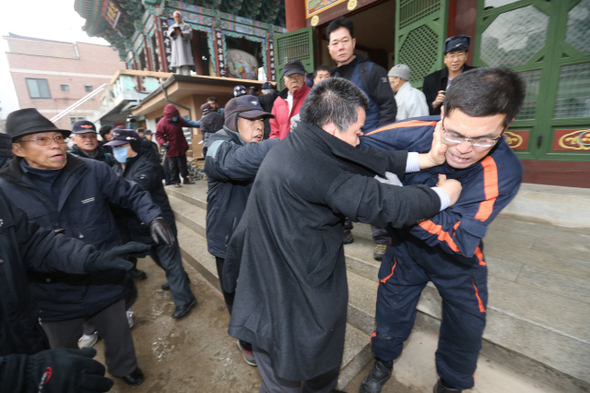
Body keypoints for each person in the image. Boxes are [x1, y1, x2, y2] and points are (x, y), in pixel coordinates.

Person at [222, 78, 462, 392]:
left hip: (276, 268)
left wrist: (428, 159)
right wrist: (442, 195)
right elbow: (384, 203)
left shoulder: (305, 141)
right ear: (334, 128)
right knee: (284, 377)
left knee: (317, 364)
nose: (360, 138)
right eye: (357, 131)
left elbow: (368, 157)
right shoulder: (316, 168)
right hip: (286, 291)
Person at [358, 67, 525, 393]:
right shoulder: (414, 131)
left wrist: (399, 204)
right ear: (443, 112)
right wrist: (439, 196)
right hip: (405, 249)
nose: (464, 148)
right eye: (454, 133)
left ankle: (451, 385)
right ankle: (382, 363)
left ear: (506, 127)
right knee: (390, 311)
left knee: (467, 326)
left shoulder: (503, 171)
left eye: (483, 138)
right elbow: (354, 149)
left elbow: (458, 236)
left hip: (459, 263)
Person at [0, 108, 177, 386]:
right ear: (17, 149)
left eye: (57, 137)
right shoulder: (5, 191)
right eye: (42, 140)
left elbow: (131, 194)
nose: (56, 144)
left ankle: (125, 368)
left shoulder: (92, 170)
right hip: (51, 291)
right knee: (62, 357)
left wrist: (153, 216)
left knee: (118, 333)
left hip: (103, 273)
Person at [203, 95, 278, 366]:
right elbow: (231, 164)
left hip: (258, 235)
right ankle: (245, 340)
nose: (259, 127)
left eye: (262, 120)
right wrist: (285, 143)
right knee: (235, 292)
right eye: (251, 120)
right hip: (228, 238)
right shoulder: (216, 144)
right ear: (234, 122)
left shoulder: (257, 147)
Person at [106, 129, 198, 319]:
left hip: (159, 223)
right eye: (114, 147)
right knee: (159, 259)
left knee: (170, 262)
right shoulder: (116, 167)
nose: (116, 151)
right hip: (138, 227)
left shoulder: (147, 165)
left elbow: (132, 191)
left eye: (120, 147)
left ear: (133, 146)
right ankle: (180, 279)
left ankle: (185, 299)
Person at [327, 16, 398, 259]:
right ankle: (344, 230)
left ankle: (383, 239)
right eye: (335, 43)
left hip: (368, 143)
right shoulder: (332, 79)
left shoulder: (371, 71)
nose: (340, 47)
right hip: (340, 145)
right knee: (340, 188)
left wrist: (378, 138)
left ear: (353, 42)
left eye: (344, 41)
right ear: (329, 48)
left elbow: (388, 107)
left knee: (373, 191)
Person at [423, 35, 475, 116]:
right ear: (445, 58)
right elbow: (424, 110)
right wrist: (435, 103)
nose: (456, 60)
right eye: (452, 55)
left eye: (460, 54)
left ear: (466, 56)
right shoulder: (431, 80)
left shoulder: (475, 76)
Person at [156, 103, 199, 187]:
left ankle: (186, 179)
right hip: (171, 148)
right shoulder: (162, 123)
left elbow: (190, 123)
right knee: (173, 166)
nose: (176, 116)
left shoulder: (179, 119)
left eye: (176, 114)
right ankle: (175, 181)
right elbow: (158, 135)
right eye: (174, 116)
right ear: (169, 116)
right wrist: (163, 143)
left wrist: (201, 123)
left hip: (180, 146)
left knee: (183, 165)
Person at [269, 59, 311, 139]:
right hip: (283, 148)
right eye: (290, 77)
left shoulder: (313, 96)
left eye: (298, 76)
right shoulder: (278, 101)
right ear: (284, 80)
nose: (294, 80)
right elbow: (274, 131)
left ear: (304, 77)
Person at [167, 11, 194, 76]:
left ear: (181, 17)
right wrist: (173, 32)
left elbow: (190, 34)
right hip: (176, 48)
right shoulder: (172, 27)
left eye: (178, 17)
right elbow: (169, 35)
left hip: (184, 48)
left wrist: (181, 33)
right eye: (175, 17)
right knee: (178, 65)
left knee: (185, 63)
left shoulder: (186, 26)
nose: (177, 18)